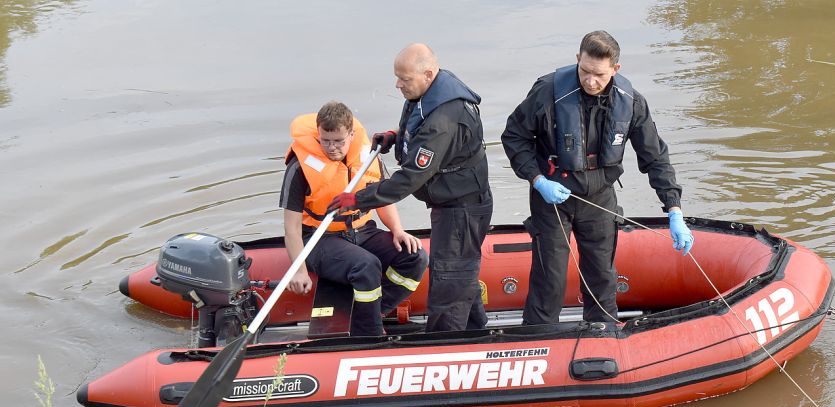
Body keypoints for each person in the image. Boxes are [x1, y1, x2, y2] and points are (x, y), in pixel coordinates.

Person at [501, 30, 694, 325]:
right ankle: (540, 339)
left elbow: (655, 157)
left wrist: (674, 209)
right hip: (553, 195)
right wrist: (537, 181)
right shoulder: (547, 91)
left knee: (602, 276)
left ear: (615, 69)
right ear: (578, 60)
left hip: (599, 196)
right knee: (550, 277)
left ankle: (602, 336)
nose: (591, 81)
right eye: (585, 71)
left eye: (599, 75)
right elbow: (514, 136)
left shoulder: (631, 103)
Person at [328, 43, 493, 333]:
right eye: (397, 77)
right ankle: (477, 331)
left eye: (404, 79)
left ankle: (445, 345)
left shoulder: (444, 119)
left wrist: (359, 199)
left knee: (449, 280)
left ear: (428, 74)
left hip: (462, 210)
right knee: (460, 273)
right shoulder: (430, 91)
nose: (397, 84)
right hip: (451, 203)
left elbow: (410, 178)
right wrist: (397, 135)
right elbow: (421, 131)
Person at [279, 101, 427, 336]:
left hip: (362, 230)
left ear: (352, 134)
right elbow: (292, 228)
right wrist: (298, 269)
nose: (332, 148)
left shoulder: (367, 156)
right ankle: (370, 334)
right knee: (366, 265)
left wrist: (398, 230)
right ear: (318, 134)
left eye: (338, 141)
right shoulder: (299, 168)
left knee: (415, 257)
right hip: (320, 239)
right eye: (325, 140)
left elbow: (383, 198)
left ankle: (371, 313)